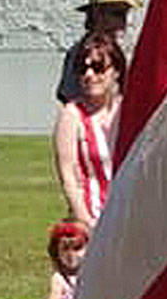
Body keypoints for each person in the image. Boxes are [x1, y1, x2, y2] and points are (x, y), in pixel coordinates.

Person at [53, 33, 126, 230]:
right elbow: (68, 175)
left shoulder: (128, 111)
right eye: (82, 69)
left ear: (116, 71)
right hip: (92, 220)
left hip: (129, 219)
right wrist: (85, 220)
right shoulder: (72, 115)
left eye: (98, 67)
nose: (89, 75)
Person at [54, 0, 142, 104]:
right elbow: (71, 98)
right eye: (117, 14)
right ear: (98, 14)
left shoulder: (118, 50)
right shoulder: (82, 53)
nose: (123, 22)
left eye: (125, 14)